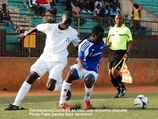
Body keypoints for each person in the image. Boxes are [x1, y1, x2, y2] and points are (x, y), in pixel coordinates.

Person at [4, 11, 81, 110]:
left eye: (69, 23)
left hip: (59, 61)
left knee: (50, 87)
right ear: (61, 19)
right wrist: (25, 34)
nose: (66, 25)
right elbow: (37, 28)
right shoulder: (50, 27)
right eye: (65, 22)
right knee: (31, 77)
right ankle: (15, 104)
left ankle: (65, 88)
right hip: (45, 58)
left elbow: (78, 45)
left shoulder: (73, 32)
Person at [59, 25, 107, 110]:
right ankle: (62, 103)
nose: (100, 39)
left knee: (89, 80)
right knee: (71, 73)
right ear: (92, 35)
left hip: (92, 69)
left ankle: (87, 100)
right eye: (98, 37)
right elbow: (81, 55)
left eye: (101, 37)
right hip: (82, 66)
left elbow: (108, 42)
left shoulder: (102, 41)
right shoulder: (85, 44)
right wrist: (80, 64)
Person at [107, 13, 133, 98]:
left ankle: (123, 88)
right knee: (110, 74)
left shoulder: (126, 30)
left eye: (120, 18)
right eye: (117, 18)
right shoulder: (111, 30)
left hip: (121, 52)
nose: (118, 20)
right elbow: (109, 41)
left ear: (123, 20)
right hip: (112, 52)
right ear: (114, 19)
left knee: (114, 71)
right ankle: (118, 90)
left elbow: (130, 41)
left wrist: (127, 52)